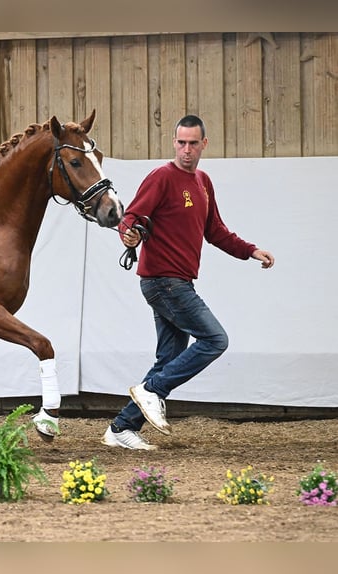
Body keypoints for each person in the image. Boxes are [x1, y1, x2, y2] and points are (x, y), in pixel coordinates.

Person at [102, 114, 275, 450]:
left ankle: (121, 428)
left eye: (193, 143)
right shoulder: (162, 177)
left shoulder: (203, 182)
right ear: (174, 142)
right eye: (181, 143)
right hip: (163, 281)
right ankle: (152, 391)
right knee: (215, 339)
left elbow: (216, 232)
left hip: (177, 282)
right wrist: (128, 235)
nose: (186, 150)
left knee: (169, 358)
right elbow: (131, 217)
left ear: (203, 144)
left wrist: (251, 250)